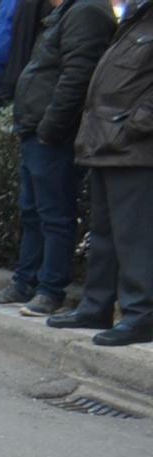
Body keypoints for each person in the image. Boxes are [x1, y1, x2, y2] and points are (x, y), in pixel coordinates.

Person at [0, 0, 114, 318]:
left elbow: (76, 77)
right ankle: (25, 282)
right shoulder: (69, 11)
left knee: (54, 214)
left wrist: (50, 128)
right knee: (32, 212)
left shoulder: (86, 11)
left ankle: (50, 290)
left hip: (53, 136)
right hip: (37, 129)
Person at [45, 0, 152, 347]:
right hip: (107, 142)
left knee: (134, 237)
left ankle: (140, 315)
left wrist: (137, 124)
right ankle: (95, 306)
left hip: (133, 146)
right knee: (103, 233)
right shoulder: (137, 18)